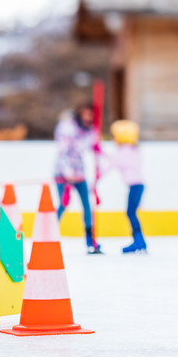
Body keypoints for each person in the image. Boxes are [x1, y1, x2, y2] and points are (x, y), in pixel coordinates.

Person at [54, 105, 101, 254]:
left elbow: (86, 147)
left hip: (79, 172)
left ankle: (90, 241)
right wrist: (68, 174)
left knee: (87, 206)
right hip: (63, 173)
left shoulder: (89, 131)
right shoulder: (67, 128)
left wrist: (96, 144)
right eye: (85, 114)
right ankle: (49, 236)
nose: (87, 118)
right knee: (63, 204)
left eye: (90, 115)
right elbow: (63, 152)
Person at [104, 120, 146, 254]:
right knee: (132, 213)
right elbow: (114, 159)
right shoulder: (131, 150)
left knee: (131, 213)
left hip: (135, 186)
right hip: (138, 186)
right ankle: (138, 241)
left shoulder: (123, 152)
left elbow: (110, 164)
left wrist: (95, 180)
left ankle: (139, 241)